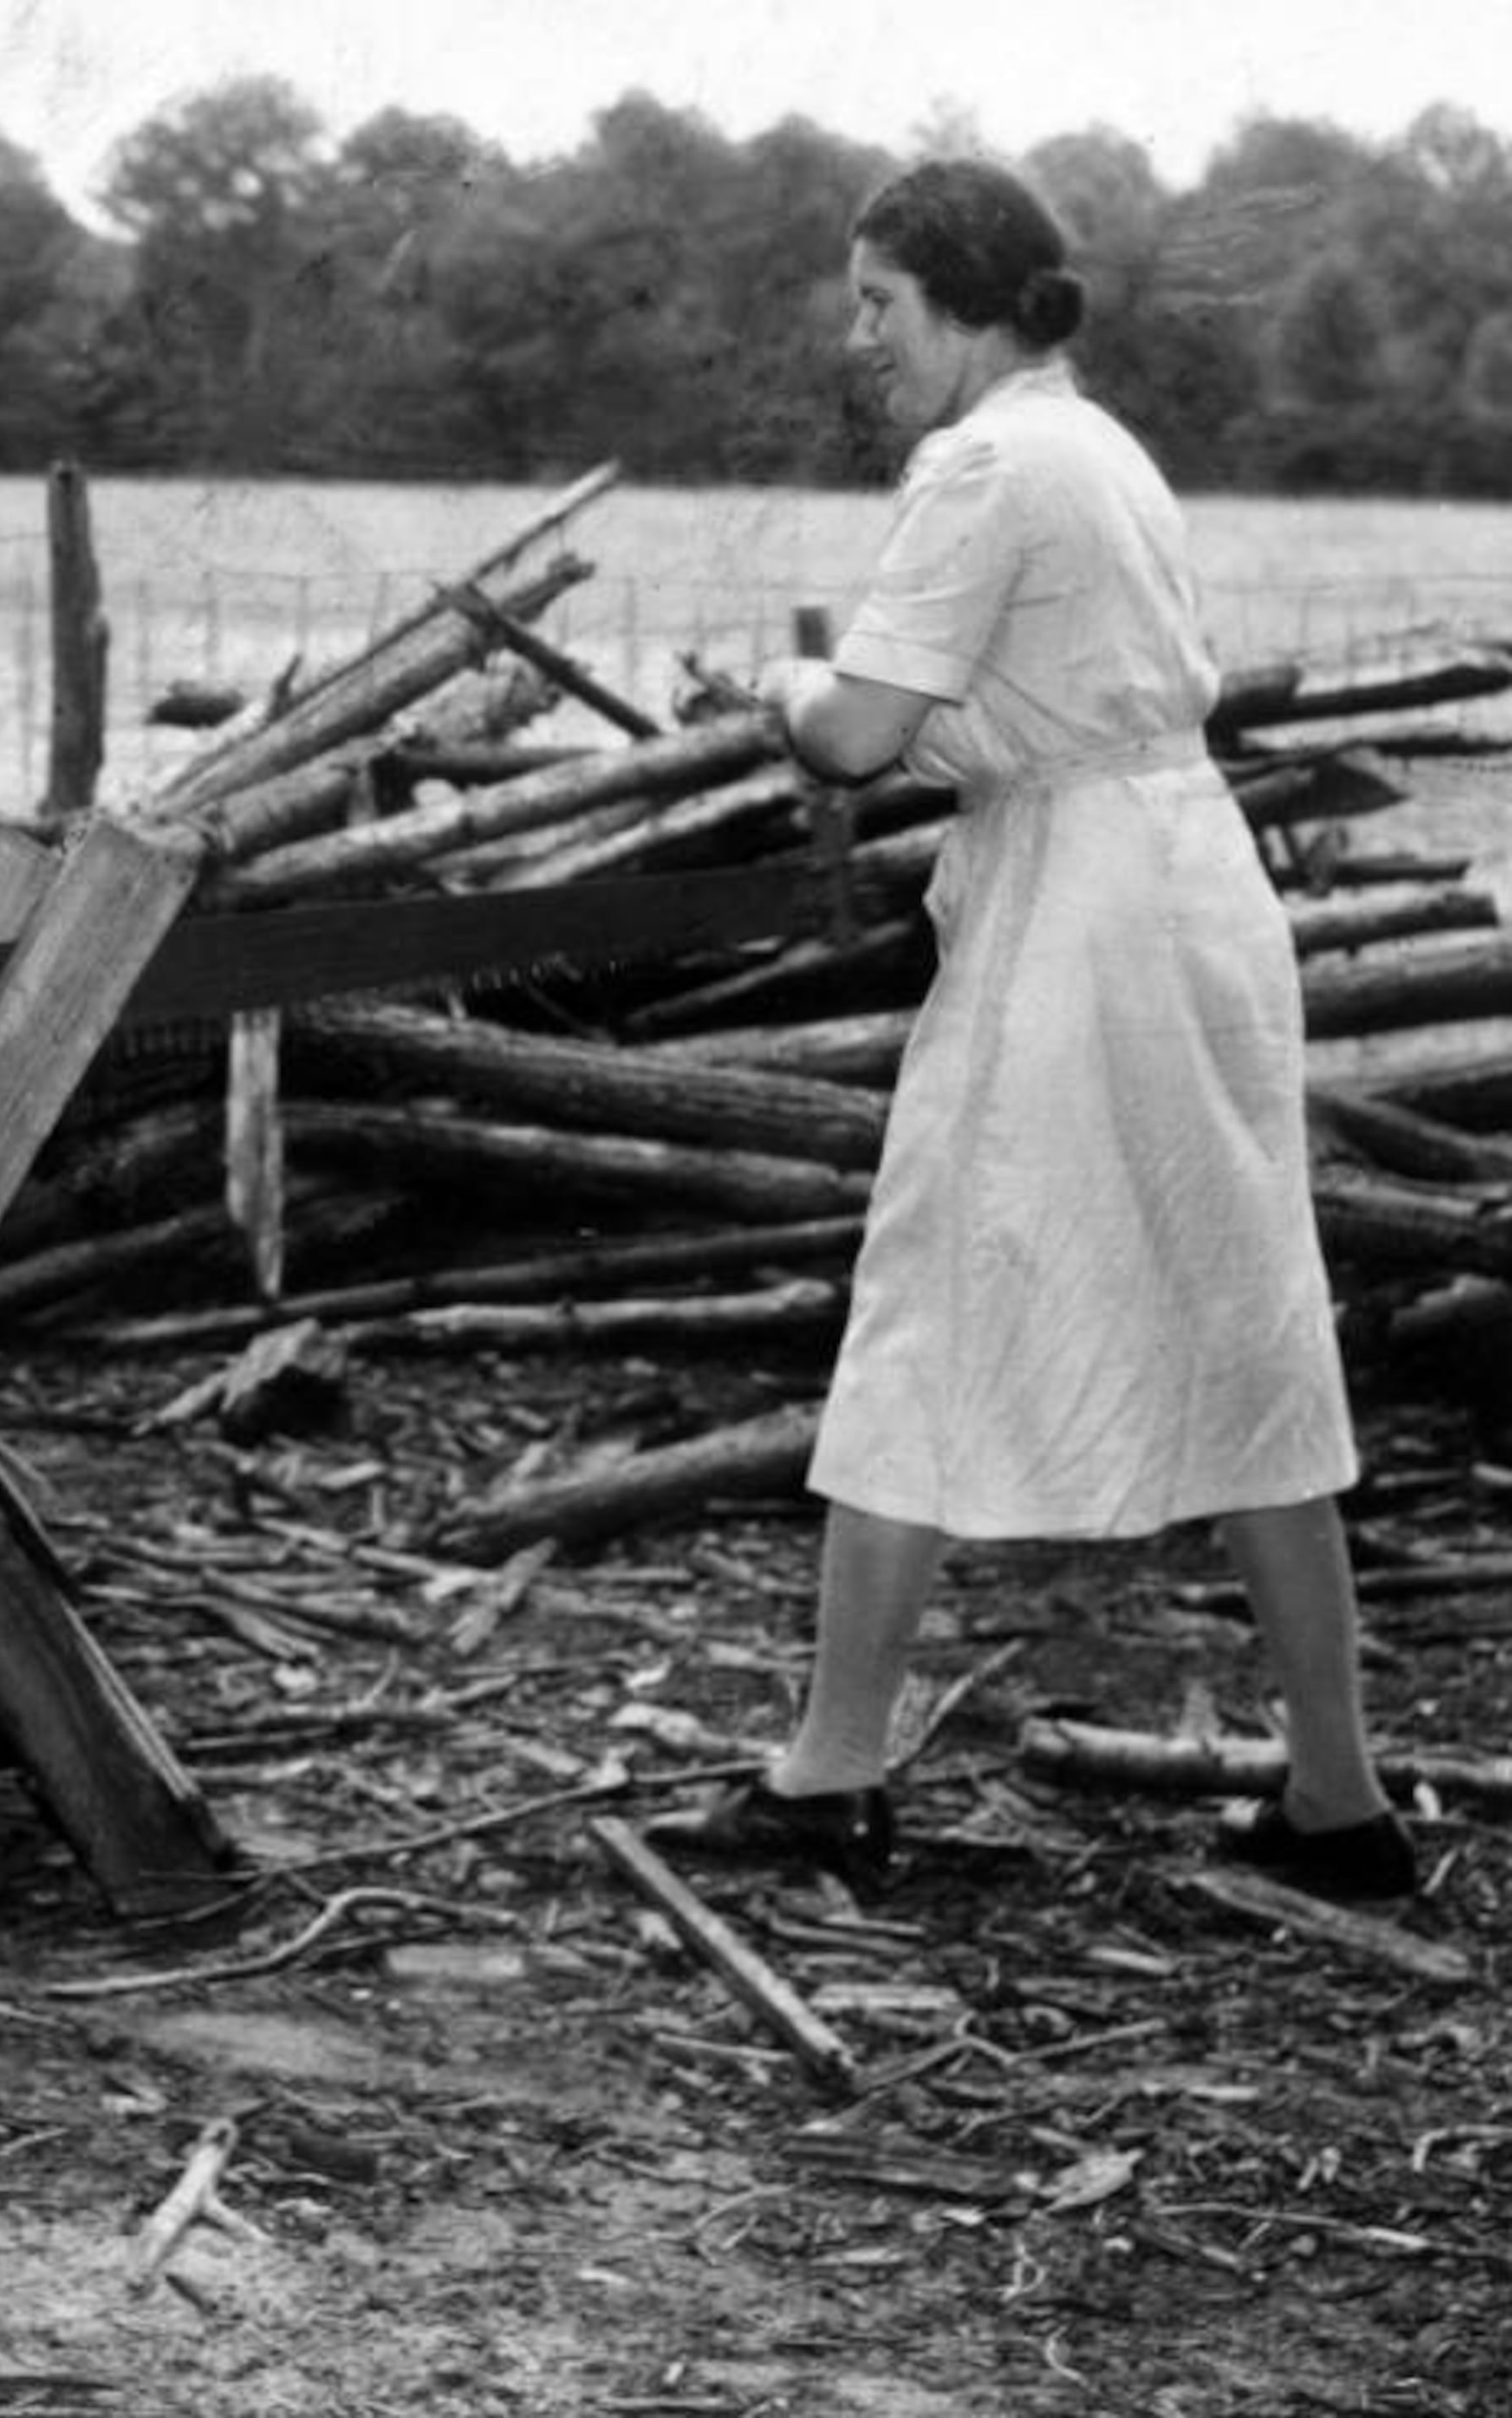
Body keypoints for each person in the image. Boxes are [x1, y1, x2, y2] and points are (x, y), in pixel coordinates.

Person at [651, 159, 1414, 1902]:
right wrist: (866, 708)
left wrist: (764, 688)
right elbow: (1000, 721)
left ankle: (831, 1770)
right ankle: (1340, 1803)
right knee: (1252, 1317)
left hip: (1087, 920)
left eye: (879, 304)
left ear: (972, 303)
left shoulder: (988, 458)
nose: (858, 339)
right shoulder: (1102, 447)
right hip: (1187, 886)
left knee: (925, 1296)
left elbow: (855, 737)